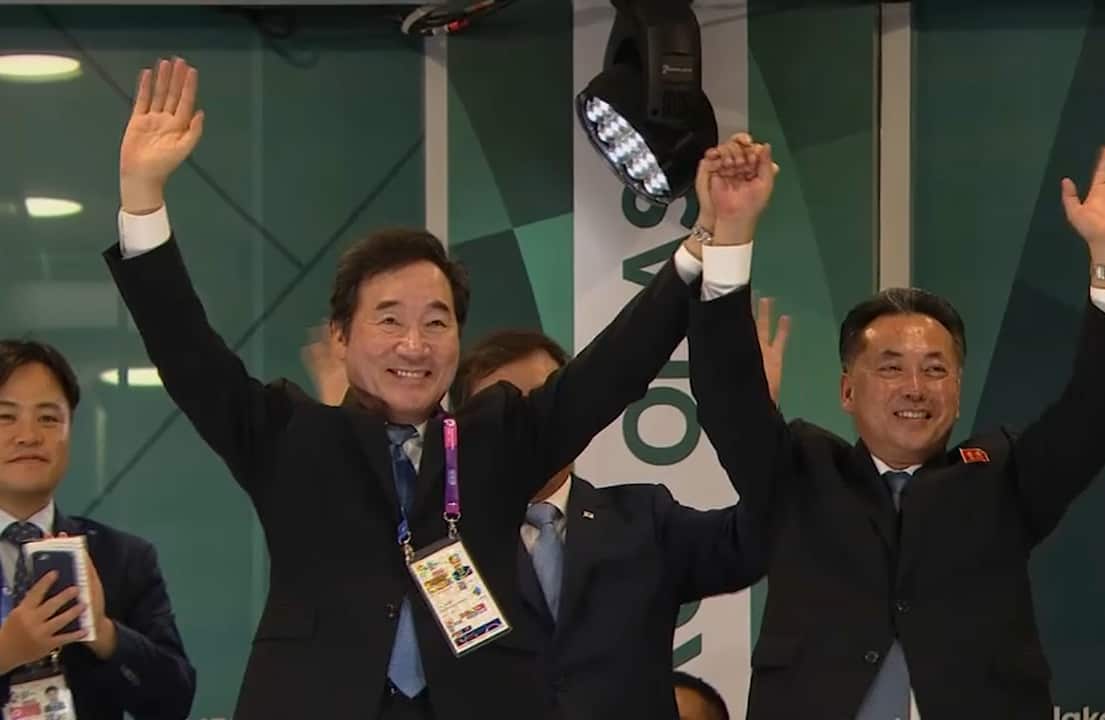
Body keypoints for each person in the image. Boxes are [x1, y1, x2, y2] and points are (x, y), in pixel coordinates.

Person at [104, 56, 759, 720]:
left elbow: (614, 367)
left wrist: (710, 239)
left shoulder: (499, 436)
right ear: (341, 335)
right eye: (388, 320)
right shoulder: (290, 437)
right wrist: (142, 196)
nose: (413, 346)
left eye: (436, 322)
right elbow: (187, 354)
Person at [688, 139, 1105, 718]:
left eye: (935, 370)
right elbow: (725, 398)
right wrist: (731, 233)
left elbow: (1098, 411)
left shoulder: (1003, 478)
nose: (915, 387)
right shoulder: (798, 472)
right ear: (847, 391)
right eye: (890, 368)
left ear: (957, 392)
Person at [306, 316, 785, 719]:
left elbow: (753, 543)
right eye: (507, 410)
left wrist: (755, 419)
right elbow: (354, 606)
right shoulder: (443, 539)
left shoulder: (643, 518)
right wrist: (347, 445)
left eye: (544, 402)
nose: (529, 427)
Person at [0, 340, 195, 720]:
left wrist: (104, 633)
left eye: (49, 418)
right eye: (5, 417)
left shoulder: (123, 558)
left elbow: (174, 701)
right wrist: (8, 650)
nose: (28, 436)